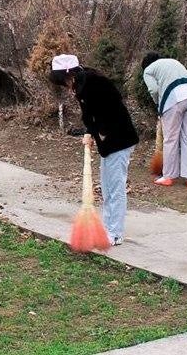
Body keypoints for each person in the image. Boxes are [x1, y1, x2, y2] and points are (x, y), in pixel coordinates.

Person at [49, 54, 138, 246]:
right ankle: (108, 229)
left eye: (64, 81)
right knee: (107, 188)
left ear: (70, 74)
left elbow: (111, 106)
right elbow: (89, 114)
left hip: (120, 139)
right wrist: (89, 132)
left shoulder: (95, 83)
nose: (65, 86)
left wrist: (101, 131)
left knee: (115, 188)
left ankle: (115, 233)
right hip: (109, 142)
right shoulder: (81, 85)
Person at [141, 52, 187, 188]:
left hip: (174, 97)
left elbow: (154, 90)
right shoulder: (173, 61)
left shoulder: (148, 70)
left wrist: (158, 105)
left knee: (170, 138)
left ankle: (168, 176)